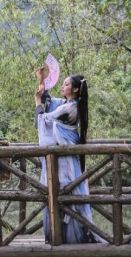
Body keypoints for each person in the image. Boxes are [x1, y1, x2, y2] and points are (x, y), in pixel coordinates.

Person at [34, 68, 97, 244]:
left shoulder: (69, 108)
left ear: (76, 89)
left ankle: (66, 236)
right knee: (64, 192)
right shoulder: (68, 104)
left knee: (64, 191)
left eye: (66, 84)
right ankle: (63, 234)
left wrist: (37, 101)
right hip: (64, 157)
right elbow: (50, 101)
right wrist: (42, 81)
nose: (62, 86)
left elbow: (45, 118)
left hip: (64, 159)